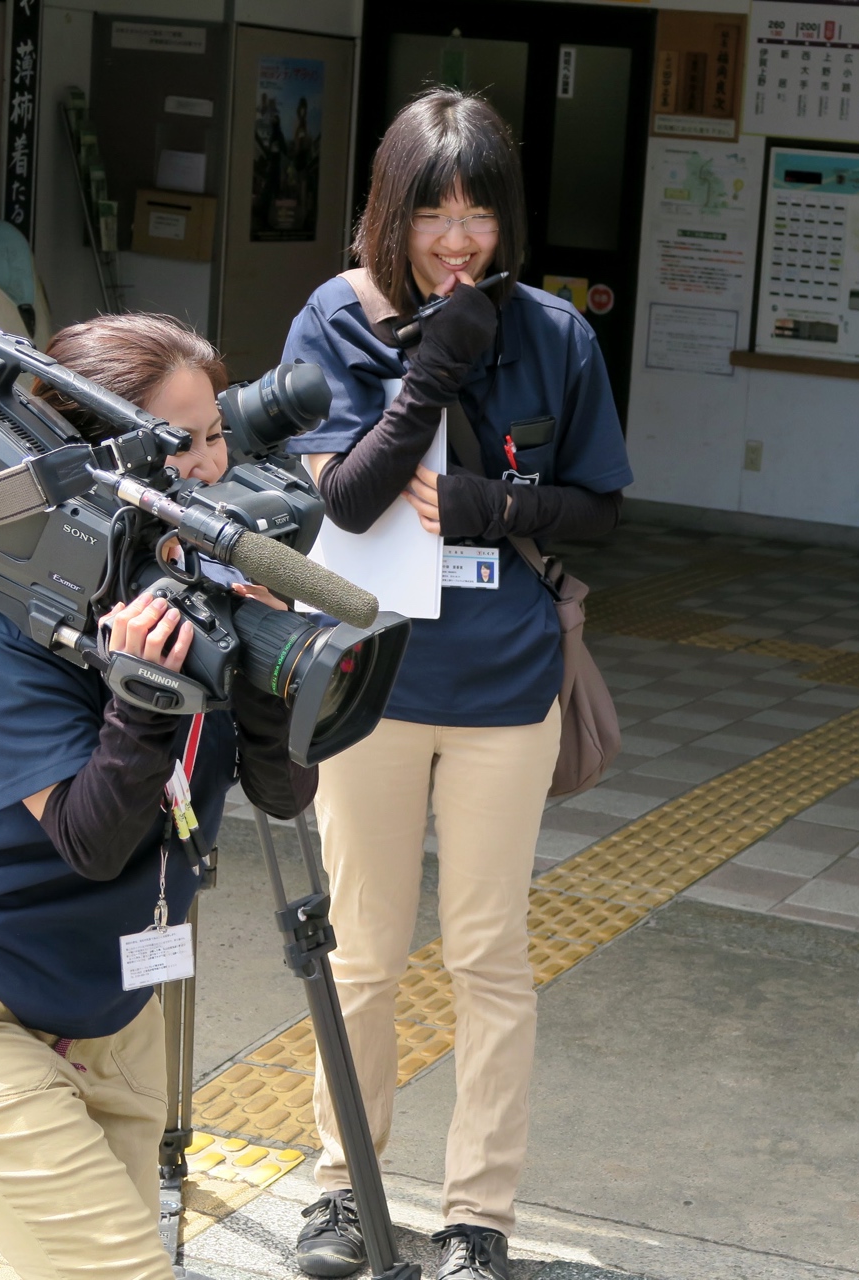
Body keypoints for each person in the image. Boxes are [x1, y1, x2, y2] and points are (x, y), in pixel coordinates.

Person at [0, 314, 316, 1280]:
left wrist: (274, 679)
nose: (210, 463)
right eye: (181, 442)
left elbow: (281, 793)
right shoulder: (11, 643)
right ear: (99, 464)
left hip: (117, 1019)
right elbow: (90, 840)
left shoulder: (204, 593)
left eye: (217, 434)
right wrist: (145, 700)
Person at [280, 89, 632, 1280]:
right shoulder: (335, 321)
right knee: (364, 949)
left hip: (506, 684)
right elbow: (342, 499)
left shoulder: (555, 330)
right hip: (368, 673)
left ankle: (479, 1212)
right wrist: (433, 365)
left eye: (479, 211)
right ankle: (342, 1185)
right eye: (433, 210)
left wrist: (502, 506)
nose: (457, 238)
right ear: (392, 209)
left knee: (489, 952)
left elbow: (602, 505)